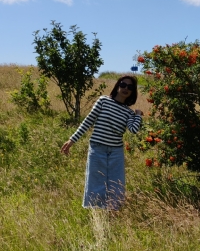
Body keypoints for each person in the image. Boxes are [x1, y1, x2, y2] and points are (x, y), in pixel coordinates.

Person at [61, 75, 143, 209]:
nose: (126, 89)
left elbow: (133, 130)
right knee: (96, 181)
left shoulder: (129, 113)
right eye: (123, 85)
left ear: (133, 91)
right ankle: (96, 214)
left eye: (130, 87)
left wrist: (138, 115)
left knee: (116, 184)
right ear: (117, 86)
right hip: (97, 148)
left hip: (116, 152)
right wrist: (72, 140)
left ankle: (113, 212)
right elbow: (88, 121)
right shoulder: (103, 101)